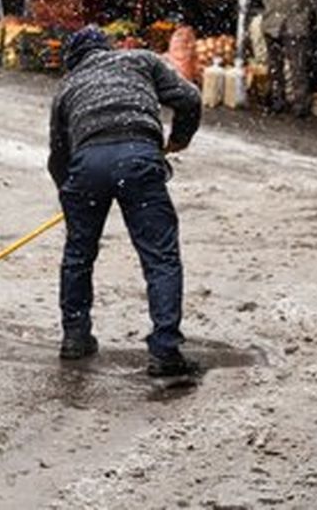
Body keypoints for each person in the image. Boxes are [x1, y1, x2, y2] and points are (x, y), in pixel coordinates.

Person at [48, 26, 202, 377]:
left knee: (78, 254)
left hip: (87, 166)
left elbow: (58, 156)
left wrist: (70, 198)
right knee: (160, 257)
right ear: (107, 47)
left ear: (73, 61)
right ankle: (165, 350)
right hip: (139, 156)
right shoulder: (141, 60)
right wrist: (179, 139)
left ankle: (75, 336)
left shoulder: (68, 87)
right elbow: (189, 97)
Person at [261, 0, 317, 117]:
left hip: (296, 27)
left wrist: (301, 18)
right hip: (273, 26)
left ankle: (300, 105)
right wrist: (274, 14)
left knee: (297, 67)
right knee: (274, 66)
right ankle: (278, 101)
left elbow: (312, 2)